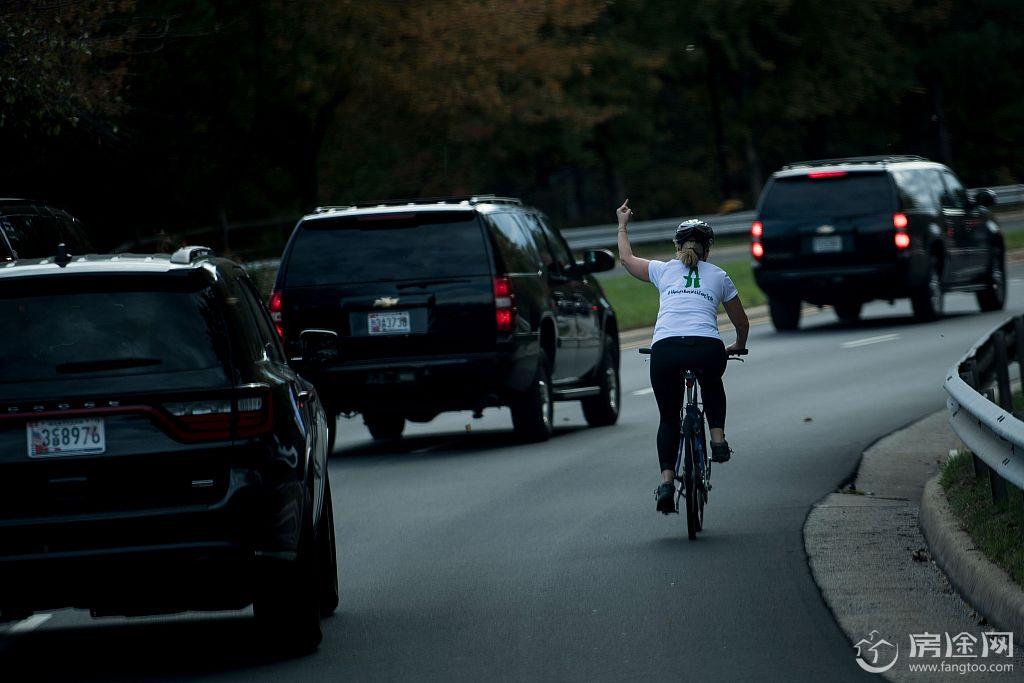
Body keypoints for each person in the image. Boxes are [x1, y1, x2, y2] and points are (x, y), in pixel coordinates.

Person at [615, 199, 750, 514]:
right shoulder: (719, 275)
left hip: (666, 349)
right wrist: (738, 344)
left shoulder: (663, 270)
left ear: (677, 246)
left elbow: (626, 259)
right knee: (712, 381)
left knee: (668, 417)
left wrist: (622, 225)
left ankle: (665, 482)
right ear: (708, 249)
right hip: (707, 347)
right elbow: (741, 322)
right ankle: (717, 440)